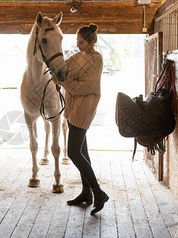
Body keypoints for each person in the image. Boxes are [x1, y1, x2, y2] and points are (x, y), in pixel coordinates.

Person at [53, 23, 108, 215]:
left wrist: (62, 80)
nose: (78, 45)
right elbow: (64, 68)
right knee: (82, 151)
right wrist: (55, 68)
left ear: (92, 41)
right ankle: (87, 193)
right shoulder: (78, 57)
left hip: (84, 108)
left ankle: (98, 193)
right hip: (72, 106)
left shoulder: (96, 59)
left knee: (74, 153)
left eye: (82, 42)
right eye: (77, 41)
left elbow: (84, 86)